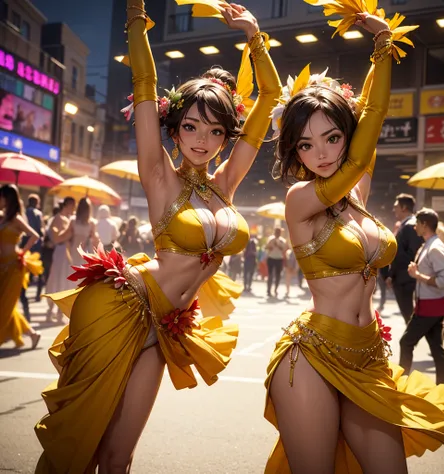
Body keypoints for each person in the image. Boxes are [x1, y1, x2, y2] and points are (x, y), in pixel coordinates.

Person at [34, 1, 280, 472]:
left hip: (166, 325)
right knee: (84, 441)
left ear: (227, 137)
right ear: (173, 129)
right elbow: (144, 85)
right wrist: (135, 12)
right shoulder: (159, 176)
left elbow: (268, 97)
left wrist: (254, 34)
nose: (202, 140)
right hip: (121, 309)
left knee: (120, 453)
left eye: (214, 130)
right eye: (190, 127)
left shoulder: (225, 185)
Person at [264, 7, 444, 474]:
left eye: (332, 137)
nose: (320, 152)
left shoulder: (356, 195)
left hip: (368, 354)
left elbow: (373, 117)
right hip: (314, 356)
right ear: (293, 148)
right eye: (305, 143)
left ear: (347, 136)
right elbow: (365, 142)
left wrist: (384, 45)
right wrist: (381, 51)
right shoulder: (300, 199)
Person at [399, 208, 444, 384]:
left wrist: (417, 276)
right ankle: (443, 387)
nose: (415, 227)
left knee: (406, 342)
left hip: (431, 308)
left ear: (425, 225)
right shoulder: (429, 245)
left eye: (417, 224)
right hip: (429, 306)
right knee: (437, 350)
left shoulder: (435, 247)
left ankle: (402, 383)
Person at [0, 184, 42, 349]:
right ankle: (32, 333)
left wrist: (22, 253)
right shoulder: (2, 217)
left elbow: (34, 235)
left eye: (1, 196)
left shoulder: (16, 218)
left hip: (14, 266)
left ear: (8, 198)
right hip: (2, 266)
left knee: (5, 305)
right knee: (4, 305)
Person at [387, 193, 424, 323]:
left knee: (410, 318)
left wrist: (393, 272)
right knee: (409, 318)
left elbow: (412, 255)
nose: (394, 209)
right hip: (403, 278)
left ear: (403, 207)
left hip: (406, 280)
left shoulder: (410, 226)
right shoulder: (405, 225)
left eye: (396, 206)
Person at [44, 196, 76, 323]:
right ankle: (51, 311)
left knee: (63, 281)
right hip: (60, 252)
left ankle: (58, 312)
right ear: (67, 205)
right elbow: (56, 238)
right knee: (56, 280)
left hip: (67, 253)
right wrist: (69, 234)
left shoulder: (69, 219)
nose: (74, 208)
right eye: (72, 206)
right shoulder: (58, 218)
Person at [19, 194, 44, 319]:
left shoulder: (23, 213)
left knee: (25, 276)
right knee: (38, 271)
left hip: (23, 246)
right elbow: (39, 232)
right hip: (34, 247)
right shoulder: (38, 214)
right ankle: (38, 294)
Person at [67, 197, 99, 265]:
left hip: (74, 247)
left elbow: (68, 237)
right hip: (86, 248)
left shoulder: (73, 221)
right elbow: (95, 240)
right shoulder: (91, 223)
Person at [265, 227, 288, 297]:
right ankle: (268, 290)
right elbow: (266, 247)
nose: (277, 233)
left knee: (278, 275)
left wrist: (278, 245)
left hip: (279, 259)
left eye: (278, 232)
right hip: (271, 258)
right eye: (276, 232)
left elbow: (284, 249)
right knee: (270, 275)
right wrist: (271, 245)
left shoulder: (282, 240)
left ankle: (275, 289)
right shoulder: (270, 239)